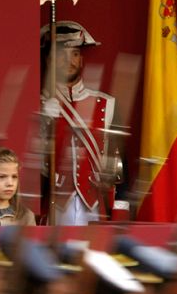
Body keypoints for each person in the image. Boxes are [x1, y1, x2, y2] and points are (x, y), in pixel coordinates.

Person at [40, 21, 119, 225]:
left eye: (74, 54)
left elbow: (114, 160)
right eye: (61, 55)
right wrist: (42, 121)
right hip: (55, 203)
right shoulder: (40, 104)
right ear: (49, 60)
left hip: (95, 203)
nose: (69, 61)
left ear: (81, 59)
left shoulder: (105, 103)